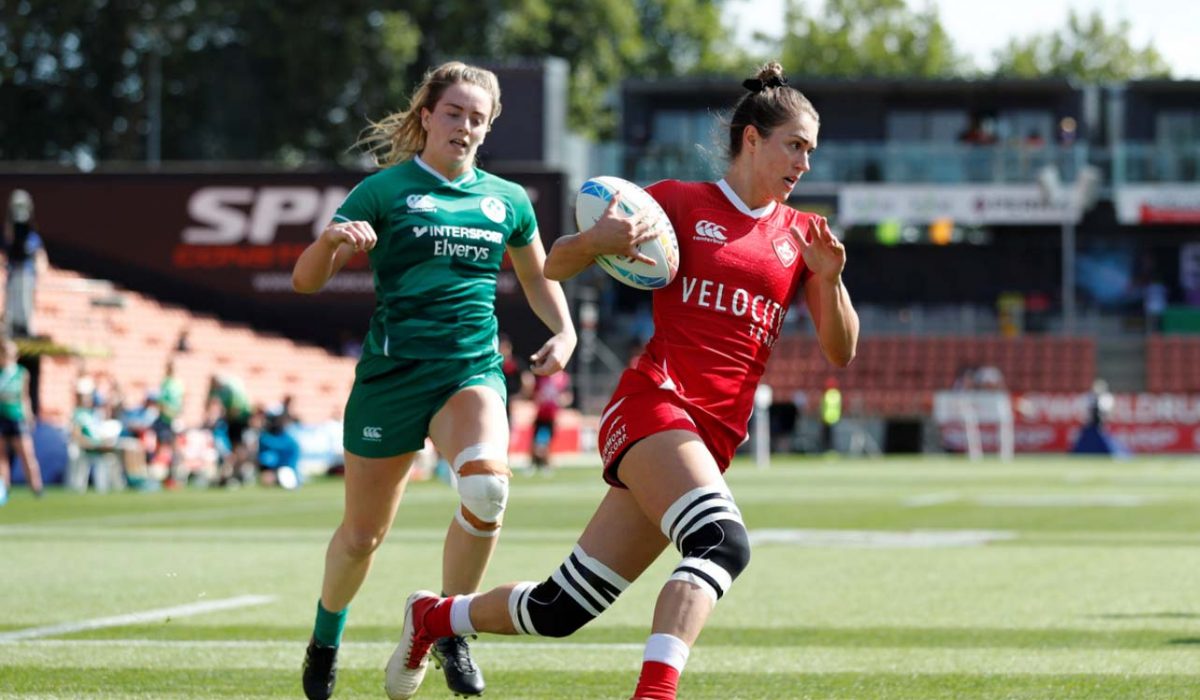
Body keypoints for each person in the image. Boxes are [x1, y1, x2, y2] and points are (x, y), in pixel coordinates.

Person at [386, 61, 858, 700]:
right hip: (654, 406)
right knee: (722, 545)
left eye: (811, 150)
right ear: (753, 139)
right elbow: (554, 261)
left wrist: (828, 279)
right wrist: (600, 238)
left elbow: (840, 351)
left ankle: (433, 616)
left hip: (711, 439)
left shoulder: (803, 235)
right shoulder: (677, 203)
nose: (805, 163)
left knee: (560, 609)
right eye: (795, 145)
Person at [291, 60, 575, 700]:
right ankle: (325, 638)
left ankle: (448, 629)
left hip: (468, 372)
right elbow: (305, 280)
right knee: (362, 536)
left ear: (489, 125)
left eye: (478, 118)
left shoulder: (507, 199)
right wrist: (333, 241)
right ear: (427, 115)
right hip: (391, 377)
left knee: (488, 494)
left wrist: (565, 330)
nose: (465, 127)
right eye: (454, 113)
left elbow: (535, 276)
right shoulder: (384, 190)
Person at [0, 337, 43, 496]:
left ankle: (36, 487)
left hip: (16, 416)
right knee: (2, 456)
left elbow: (24, 396)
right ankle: (4, 487)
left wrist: (28, 415)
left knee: (26, 453)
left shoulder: (21, 373)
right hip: (1, 416)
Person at [3, 190, 48, 338]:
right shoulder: (9, 234)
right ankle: (11, 327)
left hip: (27, 273)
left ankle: (25, 327)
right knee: (12, 299)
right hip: (13, 272)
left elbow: (41, 257)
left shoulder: (32, 236)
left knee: (25, 300)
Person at [529, 369, 571, 473]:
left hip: (552, 416)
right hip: (540, 415)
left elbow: (568, 396)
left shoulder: (563, 378)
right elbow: (534, 394)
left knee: (546, 443)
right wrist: (538, 398)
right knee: (535, 442)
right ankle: (534, 463)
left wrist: (561, 400)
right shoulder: (542, 377)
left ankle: (545, 464)